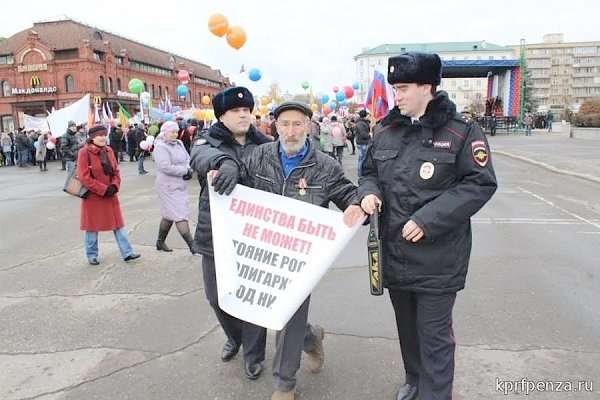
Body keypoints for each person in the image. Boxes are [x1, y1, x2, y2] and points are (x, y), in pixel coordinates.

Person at [358, 52, 497, 400]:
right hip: (394, 252)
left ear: (427, 87)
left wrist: (427, 219)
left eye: (403, 88)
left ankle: (435, 394)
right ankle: (415, 380)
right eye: (394, 89)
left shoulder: (460, 131)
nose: (397, 96)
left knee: (434, 336)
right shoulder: (386, 129)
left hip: (438, 259)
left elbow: (479, 184)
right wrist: (369, 194)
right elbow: (369, 173)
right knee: (407, 329)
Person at [239, 101, 366, 400]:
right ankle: (312, 337)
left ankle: (285, 384)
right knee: (272, 310)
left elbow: (346, 193)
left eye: (298, 124)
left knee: (290, 312)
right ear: (276, 127)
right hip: (263, 250)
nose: (291, 131)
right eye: (285, 124)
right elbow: (239, 186)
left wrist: (357, 204)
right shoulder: (259, 157)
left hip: (301, 257)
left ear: (308, 127)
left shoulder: (325, 165)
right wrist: (222, 173)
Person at [190, 86, 272, 380]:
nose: (243, 115)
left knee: (252, 299)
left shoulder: (264, 144)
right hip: (215, 232)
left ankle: (253, 355)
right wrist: (225, 162)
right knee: (216, 297)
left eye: (247, 110)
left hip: (253, 234)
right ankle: (234, 337)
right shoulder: (207, 140)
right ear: (222, 116)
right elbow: (199, 157)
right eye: (236, 111)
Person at [77, 125, 141, 266]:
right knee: (92, 228)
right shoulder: (84, 152)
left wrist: (114, 186)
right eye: (99, 135)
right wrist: (103, 189)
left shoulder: (109, 150)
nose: (103, 137)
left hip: (110, 195)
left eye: (105, 135)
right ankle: (92, 255)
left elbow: (116, 171)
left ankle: (127, 253)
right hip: (94, 197)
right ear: (92, 137)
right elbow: (84, 177)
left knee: (118, 225)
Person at [152, 121, 198, 254]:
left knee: (168, 214)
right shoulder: (160, 146)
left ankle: (160, 242)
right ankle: (192, 245)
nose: (174, 134)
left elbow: (188, 159)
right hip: (166, 185)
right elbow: (164, 167)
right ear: (164, 132)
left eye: (176, 132)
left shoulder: (179, 143)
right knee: (180, 215)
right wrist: (185, 171)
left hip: (179, 183)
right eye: (171, 132)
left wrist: (189, 169)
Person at [354, 109, 371, 177]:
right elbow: (363, 134)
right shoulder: (361, 123)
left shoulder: (362, 122)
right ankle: (360, 173)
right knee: (362, 158)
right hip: (362, 142)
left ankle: (361, 172)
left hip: (362, 142)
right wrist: (369, 134)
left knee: (362, 158)